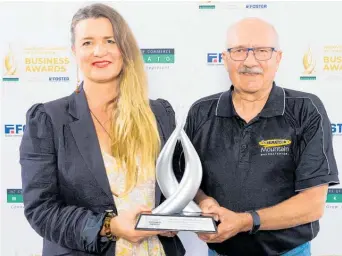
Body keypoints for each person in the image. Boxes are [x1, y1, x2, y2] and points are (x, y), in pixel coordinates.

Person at [19, 3, 184, 256]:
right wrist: (110, 226)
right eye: (87, 42)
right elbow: (41, 210)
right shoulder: (48, 120)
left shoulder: (159, 114)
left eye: (110, 40)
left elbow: (177, 185)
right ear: (74, 51)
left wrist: (176, 216)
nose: (99, 51)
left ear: (124, 48)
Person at [173, 17, 339, 256]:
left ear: (278, 58)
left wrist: (245, 221)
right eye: (239, 51)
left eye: (262, 51)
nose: (250, 61)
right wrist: (204, 202)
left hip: (289, 252)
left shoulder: (306, 109)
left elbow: (313, 204)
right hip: (221, 252)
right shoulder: (201, 112)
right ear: (225, 59)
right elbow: (184, 180)